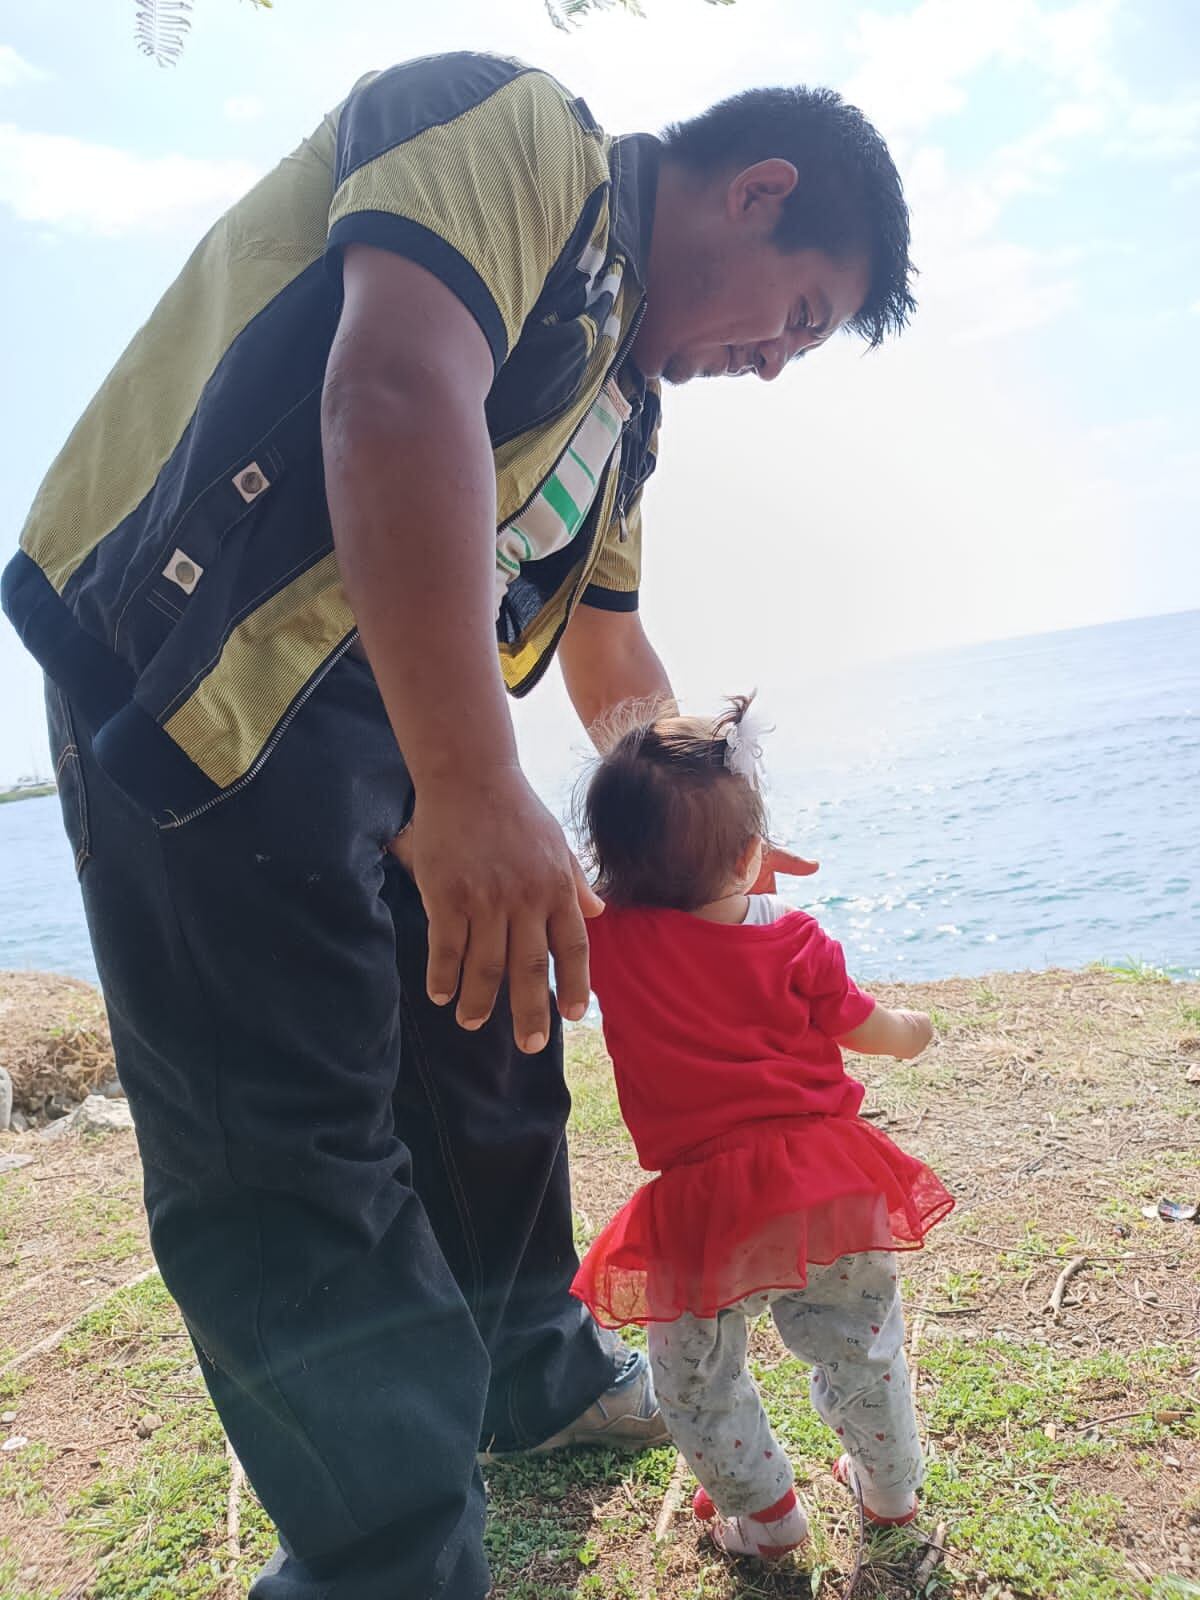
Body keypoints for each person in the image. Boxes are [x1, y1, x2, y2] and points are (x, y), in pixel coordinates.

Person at [1, 50, 915, 1600]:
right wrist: (479, 785)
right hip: (194, 671)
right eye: (802, 316)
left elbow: (613, 655)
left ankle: (534, 1379)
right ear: (760, 194)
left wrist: (708, 854)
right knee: (288, 1154)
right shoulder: (521, 132)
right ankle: (389, 1561)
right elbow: (395, 388)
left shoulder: (624, 407)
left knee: (498, 1054)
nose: (775, 362)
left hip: (404, 718)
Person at [571, 699, 953, 1562]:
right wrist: (914, 1031)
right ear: (754, 856)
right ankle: (890, 1492)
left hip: (707, 1203)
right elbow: (868, 1028)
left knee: (696, 1373)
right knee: (862, 1347)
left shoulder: (610, 940)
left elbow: (564, 881)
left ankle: (766, 1513)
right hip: (827, 1182)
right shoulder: (798, 938)